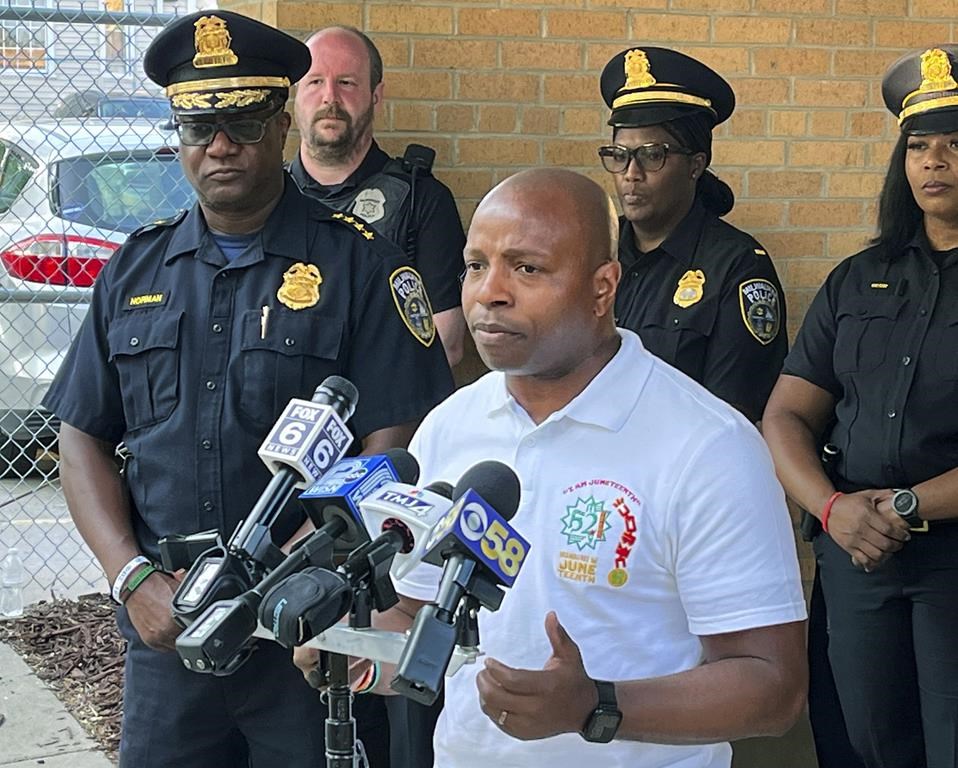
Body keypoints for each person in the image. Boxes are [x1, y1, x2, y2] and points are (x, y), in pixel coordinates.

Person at [42, 11, 453, 768]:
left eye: (242, 123)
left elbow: (392, 446)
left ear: (280, 124)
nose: (220, 146)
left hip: (306, 640)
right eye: (199, 127)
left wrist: (290, 575)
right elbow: (81, 433)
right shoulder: (135, 270)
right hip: (169, 633)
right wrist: (131, 577)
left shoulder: (363, 268)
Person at [298, 168, 808, 767]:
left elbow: (773, 688)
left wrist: (597, 708)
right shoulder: (449, 427)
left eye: (526, 268)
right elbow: (418, 615)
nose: (490, 292)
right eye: (474, 265)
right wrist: (348, 651)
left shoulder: (708, 445)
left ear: (603, 287)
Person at [762, 45, 958, 768]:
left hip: (949, 561)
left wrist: (904, 506)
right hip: (857, 557)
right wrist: (832, 509)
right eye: (918, 146)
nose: (933, 161)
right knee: (868, 744)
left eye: (955, 144)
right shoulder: (857, 279)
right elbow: (784, 417)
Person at [598, 47, 787, 423]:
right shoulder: (596, 248)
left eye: (652, 155)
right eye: (619, 154)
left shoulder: (738, 268)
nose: (631, 173)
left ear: (695, 165)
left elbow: (732, 419)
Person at [291, 25, 466, 367]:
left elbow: (446, 342)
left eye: (346, 82)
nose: (330, 97)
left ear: (376, 94)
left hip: (378, 413)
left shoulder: (421, 200)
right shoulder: (264, 197)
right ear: (296, 95)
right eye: (314, 82)